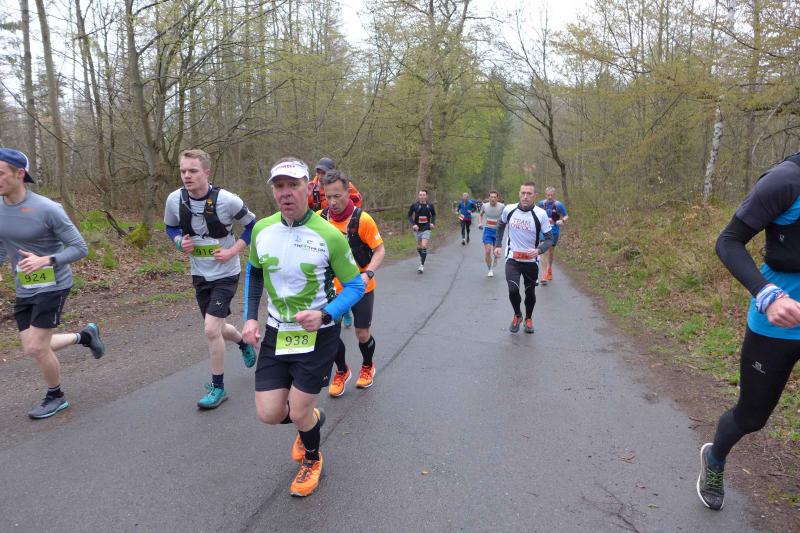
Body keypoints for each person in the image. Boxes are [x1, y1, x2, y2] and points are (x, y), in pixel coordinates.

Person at [242, 157, 365, 497]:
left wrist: (326, 315)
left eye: (293, 185)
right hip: (277, 331)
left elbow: (355, 286)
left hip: (318, 334)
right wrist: (250, 317)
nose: (286, 193)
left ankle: (312, 458)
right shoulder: (262, 229)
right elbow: (254, 273)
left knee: (297, 411)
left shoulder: (329, 235)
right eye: (279, 186)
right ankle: (311, 418)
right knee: (269, 413)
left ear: (308, 190)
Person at [697, 152, 800, 511]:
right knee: (752, 417)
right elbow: (728, 241)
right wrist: (765, 294)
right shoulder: (785, 182)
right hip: (777, 325)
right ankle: (715, 458)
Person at [0, 148, 105, 419]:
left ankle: (56, 396)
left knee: (37, 347)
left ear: (19, 174)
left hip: (53, 284)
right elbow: (3, 244)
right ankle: (85, 336)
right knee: (31, 347)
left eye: (0, 173)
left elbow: (80, 248)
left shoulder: (47, 209)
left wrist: (46, 260)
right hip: (24, 286)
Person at [164, 149, 257, 409]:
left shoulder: (228, 200)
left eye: (193, 171)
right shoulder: (174, 199)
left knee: (209, 329)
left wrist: (232, 251)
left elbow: (253, 226)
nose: (187, 176)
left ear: (206, 172)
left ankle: (218, 388)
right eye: (183, 171)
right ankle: (242, 343)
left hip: (226, 273)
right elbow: (170, 226)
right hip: (200, 273)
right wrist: (178, 241)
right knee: (217, 326)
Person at [319, 170, 385, 397]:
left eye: (337, 196)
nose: (332, 202)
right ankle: (342, 370)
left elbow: (379, 250)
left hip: (361, 287)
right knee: (330, 334)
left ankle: (367, 366)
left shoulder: (363, 220)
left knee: (362, 333)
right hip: (331, 289)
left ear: (348, 193)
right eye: (328, 196)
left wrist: (369, 273)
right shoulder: (319, 219)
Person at [308, 157, 362, 328]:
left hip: (340, 228)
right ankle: (340, 310)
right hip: (319, 230)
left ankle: (343, 308)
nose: (320, 175)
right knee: (326, 274)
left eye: (324, 172)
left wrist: (350, 219)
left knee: (341, 272)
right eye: (318, 171)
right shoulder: (312, 186)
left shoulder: (345, 186)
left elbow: (357, 201)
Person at [494, 182, 553, 334]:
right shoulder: (509, 209)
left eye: (529, 193)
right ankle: (517, 315)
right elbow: (500, 225)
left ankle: (528, 318)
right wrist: (498, 244)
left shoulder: (540, 214)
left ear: (535, 195)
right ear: (519, 193)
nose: (525, 196)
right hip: (512, 258)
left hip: (531, 262)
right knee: (513, 290)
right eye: (523, 193)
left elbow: (549, 239)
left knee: (529, 293)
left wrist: (539, 250)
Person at [537, 187, 568, 285]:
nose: (550, 197)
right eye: (548, 195)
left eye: (551, 195)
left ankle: (549, 268)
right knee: (543, 250)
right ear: (545, 194)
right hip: (543, 231)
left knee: (550, 252)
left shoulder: (559, 205)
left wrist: (562, 220)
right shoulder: (541, 204)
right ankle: (544, 274)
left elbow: (566, 215)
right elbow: (536, 214)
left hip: (554, 231)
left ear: (554, 195)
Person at [478, 191, 505, 277]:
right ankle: (490, 269)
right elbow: (480, 215)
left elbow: (505, 217)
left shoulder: (502, 206)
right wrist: (480, 223)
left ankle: (495, 257)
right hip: (488, 230)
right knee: (487, 251)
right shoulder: (484, 206)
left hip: (497, 231)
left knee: (495, 252)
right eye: (491, 197)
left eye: (494, 197)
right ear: (489, 198)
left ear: (497, 198)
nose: (493, 199)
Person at [408, 190, 436, 273]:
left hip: (426, 228)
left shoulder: (430, 205)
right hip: (417, 229)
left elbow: (434, 215)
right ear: (418, 196)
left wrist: (432, 223)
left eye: (424, 195)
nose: (422, 196)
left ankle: (422, 265)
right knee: (419, 247)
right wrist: (413, 224)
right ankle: (423, 257)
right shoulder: (414, 205)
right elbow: (409, 215)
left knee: (424, 245)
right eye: (420, 195)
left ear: (426, 196)